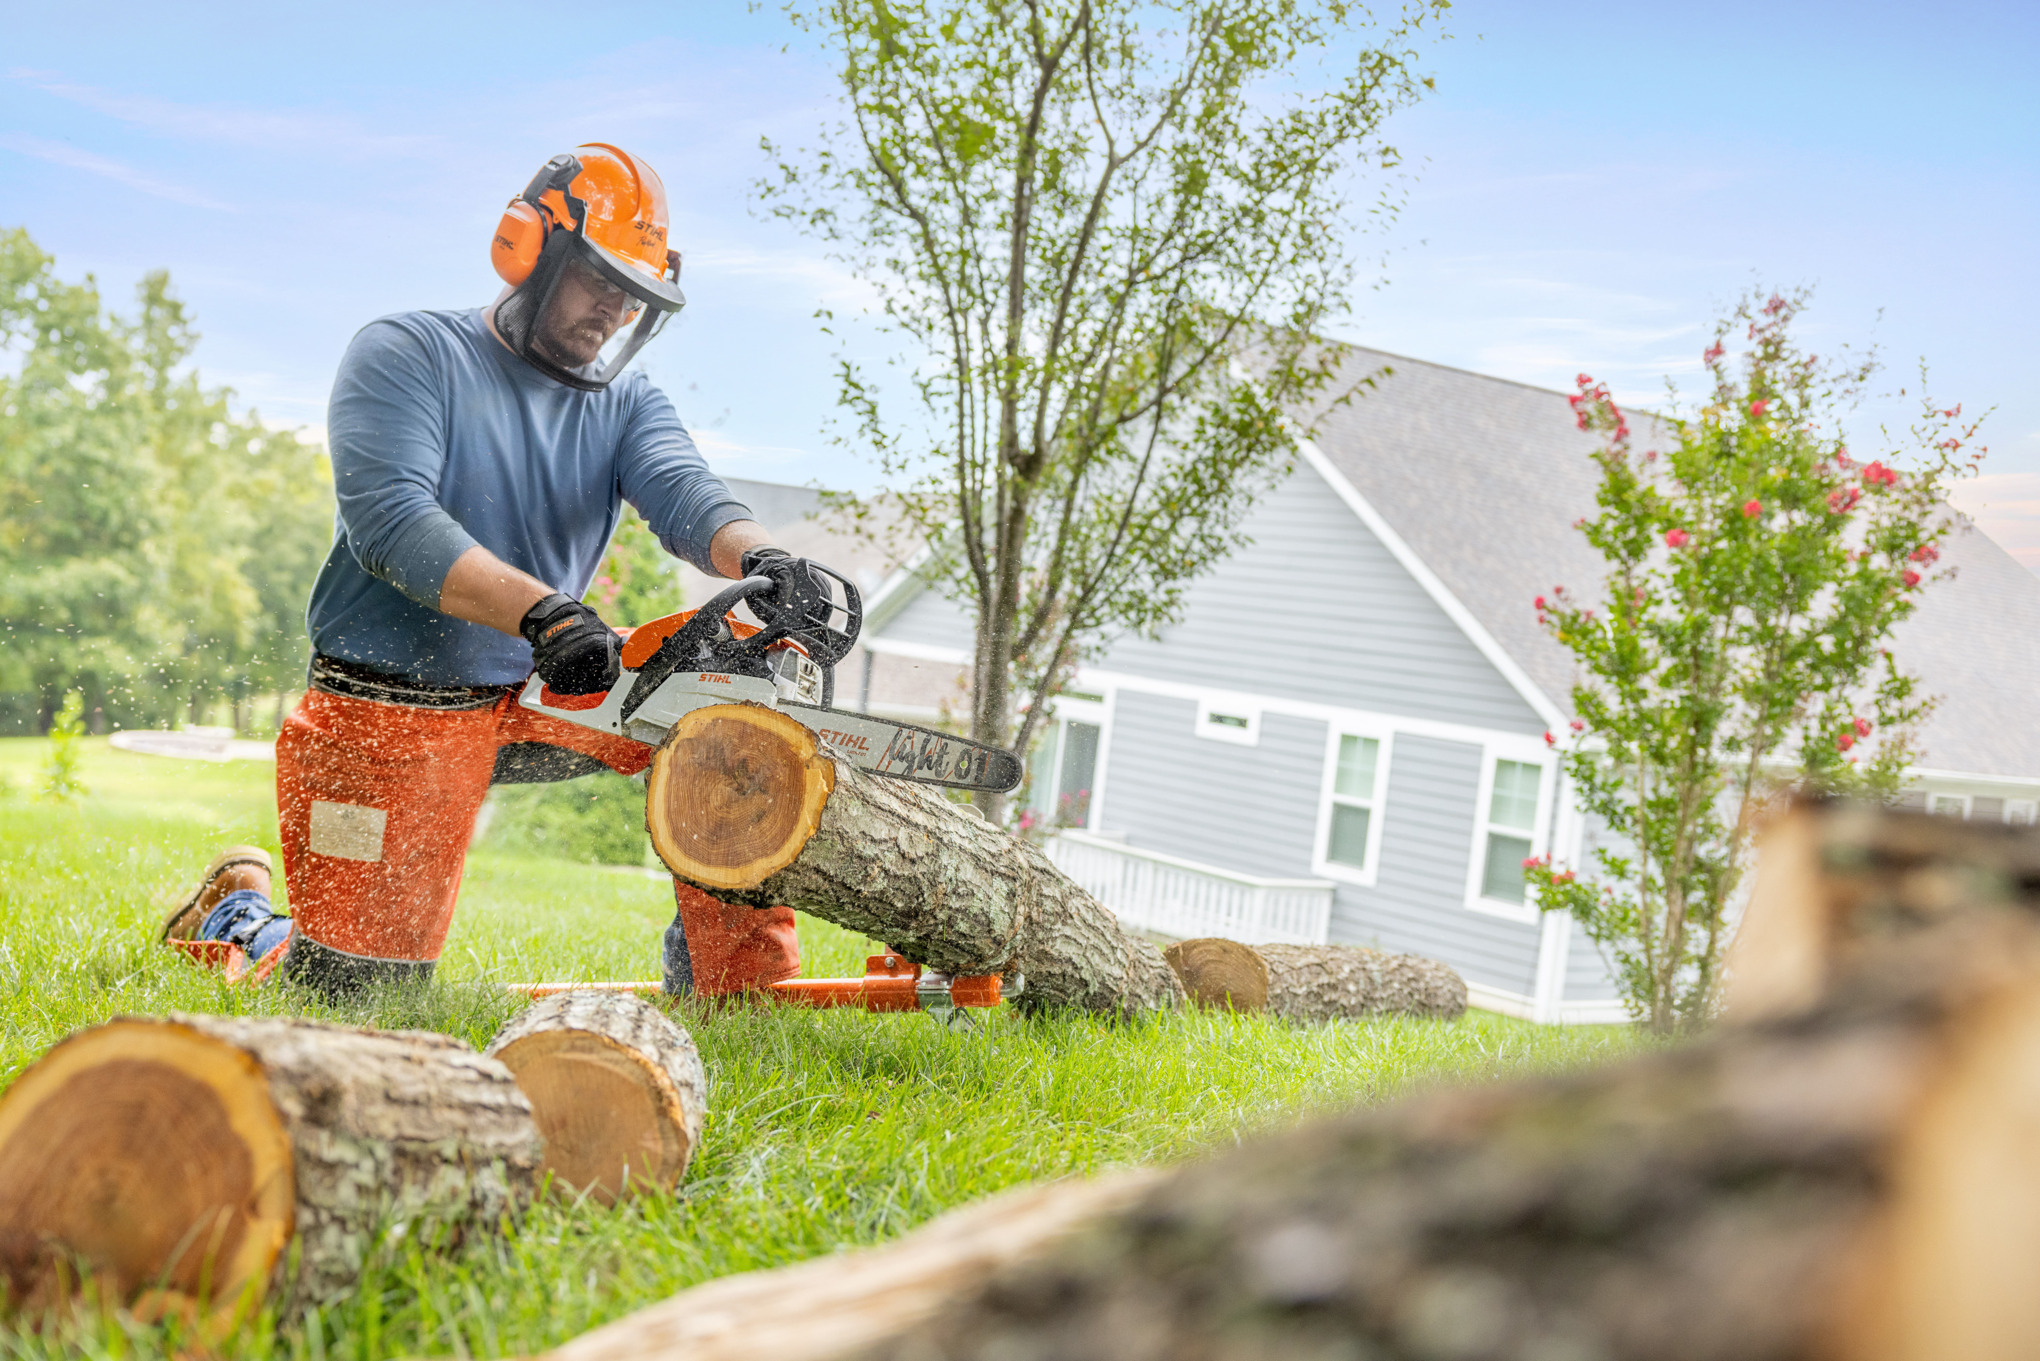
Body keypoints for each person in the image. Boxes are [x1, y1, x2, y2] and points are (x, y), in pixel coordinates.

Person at [161, 143, 822, 998]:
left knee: (727, 691)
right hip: (395, 702)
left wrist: (764, 557)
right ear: (530, 247)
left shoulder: (625, 401)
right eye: (600, 281)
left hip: (550, 683)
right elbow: (392, 523)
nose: (613, 310)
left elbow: (685, 492)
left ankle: (735, 984)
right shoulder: (407, 353)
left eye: (634, 294)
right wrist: (543, 612)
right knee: (359, 994)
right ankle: (239, 919)